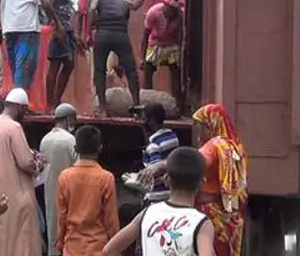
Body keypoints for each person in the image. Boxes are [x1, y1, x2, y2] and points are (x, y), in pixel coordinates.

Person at [140, 104, 247, 256]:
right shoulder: (235, 146)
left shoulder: (214, 146)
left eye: (201, 125)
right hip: (228, 214)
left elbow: (193, 161)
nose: (198, 131)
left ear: (211, 124)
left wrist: (161, 165)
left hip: (212, 213)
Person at [103, 147, 216, 256]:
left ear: (166, 180)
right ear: (202, 184)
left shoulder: (146, 214)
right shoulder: (201, 223)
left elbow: (109, 250)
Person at [0, 88, 46, 256]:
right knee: (21, 242)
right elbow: (25, 162)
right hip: (16, 196)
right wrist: (38, 163)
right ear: (20, 108)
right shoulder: (14, 127)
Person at [86, 0, 157, 115]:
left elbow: (91, 10)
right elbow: (134, 7)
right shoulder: (123, 2)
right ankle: (136, 107)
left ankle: (102, 108)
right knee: (131, 71)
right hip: (121, 36)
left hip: (103, 35)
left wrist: (89, 33)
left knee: (99, 70)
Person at [56, 125, 120, 255]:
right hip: (98, 248)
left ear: (75, 149)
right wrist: (116, 246)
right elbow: (111, 220)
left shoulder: (64, 177)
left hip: (72, 248)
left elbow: (61, 216)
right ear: (100, 148)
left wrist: (60, 241)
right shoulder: (106, 178)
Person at [40, 103, 79, 256]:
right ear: (69, 119)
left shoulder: (45, 140)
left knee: (52, 228)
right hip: (69, 194)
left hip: (49, 193)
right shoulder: (71, 141)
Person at [45, 0, 83, 108]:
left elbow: (67, 10)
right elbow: (48, 6)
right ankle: (50, 103)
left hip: (66, 28)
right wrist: (56, 27)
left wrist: (72, 33)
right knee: (55, 64)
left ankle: (56, 100)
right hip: (57, 28)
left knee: (69, 64)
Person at [142, 0, 186, 114]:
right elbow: (145, 35)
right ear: (165, 5)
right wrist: (142, 58)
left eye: (174, 10)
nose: (172, 12)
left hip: (171, 44)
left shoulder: (180, 15)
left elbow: (180, 35)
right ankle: (147, 102)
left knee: (176, 71)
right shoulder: (154, 13)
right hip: (155, 43)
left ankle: (177, 106)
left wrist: (180, 51)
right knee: (148, 69)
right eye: (170, 9)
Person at [141, 104, 180, 205]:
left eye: (145, 119)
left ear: (152, 120)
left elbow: (155, 170)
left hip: (156, 197)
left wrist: (138, 179)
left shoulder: (153, 145)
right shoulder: (173, 136)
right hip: (172, 194)